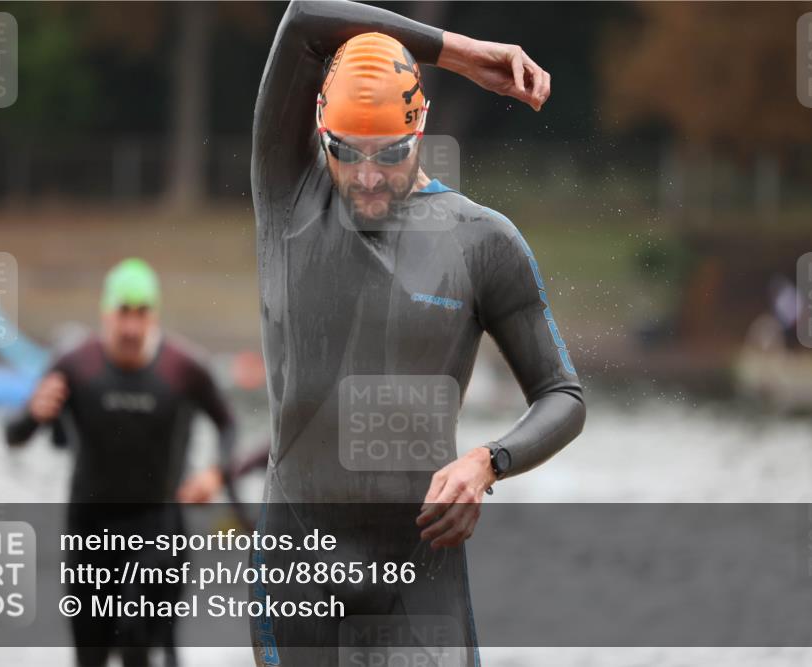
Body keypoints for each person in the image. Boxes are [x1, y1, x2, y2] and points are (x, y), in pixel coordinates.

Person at [250, 2, 586, 665]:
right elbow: (304, 17)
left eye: (391, 153)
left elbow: (562, 395)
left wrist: (487, 462)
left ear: (420, 128)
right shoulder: (288, 197)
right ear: (319, 126)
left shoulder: (481, 241)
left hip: (420, 574)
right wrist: (463, 53)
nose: (368, 176)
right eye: (347, 152)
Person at [5, 257, 238, 667]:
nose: (131, 327)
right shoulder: (76, 365)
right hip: (89, 529)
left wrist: (216, 472)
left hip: (157, 526)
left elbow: (228, 424)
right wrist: (33, 414)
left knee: (136, 642)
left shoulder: (183, 368)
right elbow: (14, 435)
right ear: (105, 314)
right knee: (90, 654)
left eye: (141, 314)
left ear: (155, 316)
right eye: (122, 313)